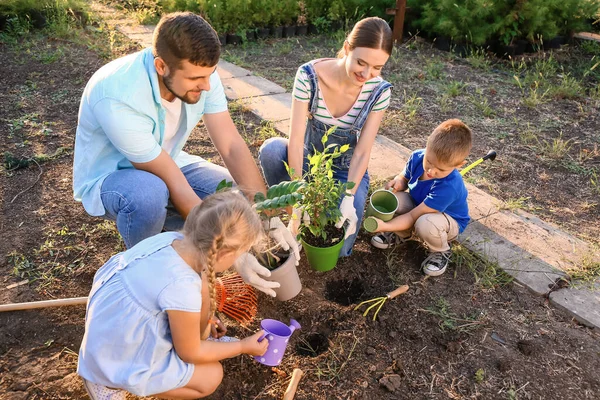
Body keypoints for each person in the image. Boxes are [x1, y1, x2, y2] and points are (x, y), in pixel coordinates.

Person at [72, 12, 298, 297]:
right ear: (161, 66)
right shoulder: (117, 95)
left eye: (210, 75)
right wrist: (230, 254)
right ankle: (149, 274)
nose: (206, 86)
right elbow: (174, 184)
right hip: (111, 179)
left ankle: (175, 230)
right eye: (195, 79)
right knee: (149, 195)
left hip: (165, 159)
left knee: (231, 195)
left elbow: (230, 145)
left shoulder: (201, 74)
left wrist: (266, 214)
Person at [78, 191, 269, 399]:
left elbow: (191, 288)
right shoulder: (182, 286)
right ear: (224, 255)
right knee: (211, 376)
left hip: (109, 332)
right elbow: (190, 352)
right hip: (115, 357)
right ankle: (110, 384)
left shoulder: (172, 240)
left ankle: (111, 373)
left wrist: (205, 317)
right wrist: (242, 346)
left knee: (201, 309)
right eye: (239, 255)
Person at [258, 17, 393, 256]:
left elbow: (362, 152)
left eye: (377, 68)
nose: (366, 73)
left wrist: (349, 198)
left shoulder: (379, 92)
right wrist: (298, 196)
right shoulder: (309, 76)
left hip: (344, 171)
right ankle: (296, 222)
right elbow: (297, 140)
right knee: (272, 151)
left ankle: (316, 219)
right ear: (348, 48)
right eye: (361, 62)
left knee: (339, 247)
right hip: (309, 162)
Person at [370, 119, 473, 276]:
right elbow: (404, 178)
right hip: (419, 206)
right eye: (429, 162)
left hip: (446, 222)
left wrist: (385, 226)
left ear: (459, 165)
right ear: (427, 146)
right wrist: (399, 182)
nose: (431, 171)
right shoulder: (418, 157)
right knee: (394, 199)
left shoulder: (449, 186)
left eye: (440, 169)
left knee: (425, 223)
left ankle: (440, 250)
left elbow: (413, 215)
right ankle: (402, 233)